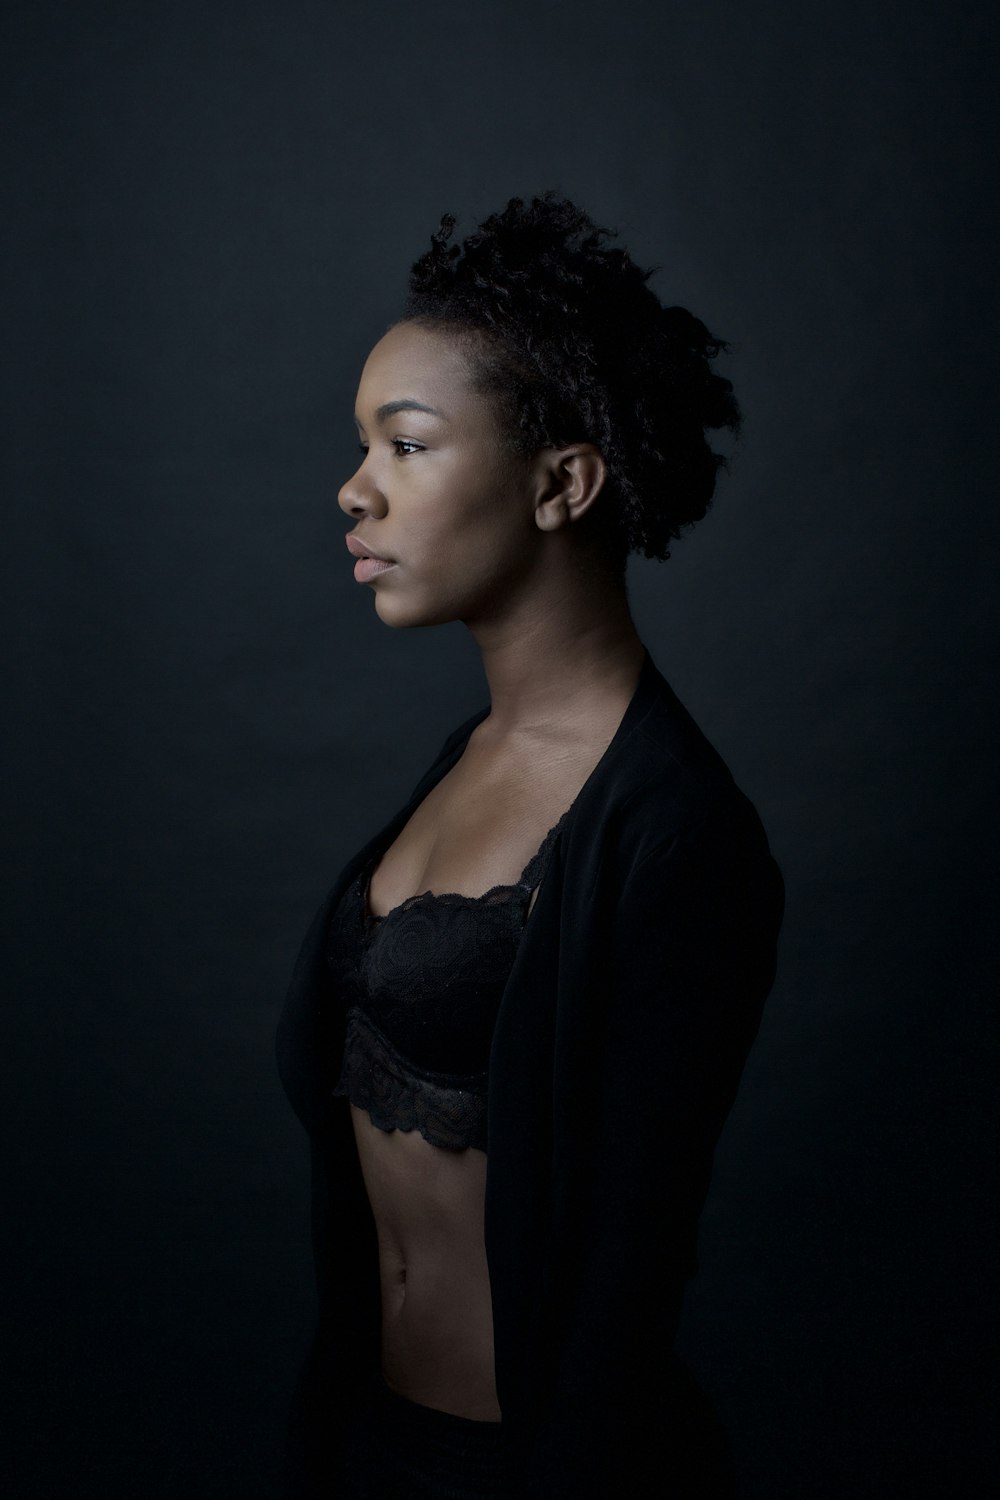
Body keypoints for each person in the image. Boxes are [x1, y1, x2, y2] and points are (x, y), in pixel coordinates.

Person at [275, 192, 785, 1499]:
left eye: (406, 443)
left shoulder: (675, 836)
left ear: (562, 481)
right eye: (361, 444)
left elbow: (626, 1273)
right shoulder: (464, 759)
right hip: (369, 1440)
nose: (354, 486)